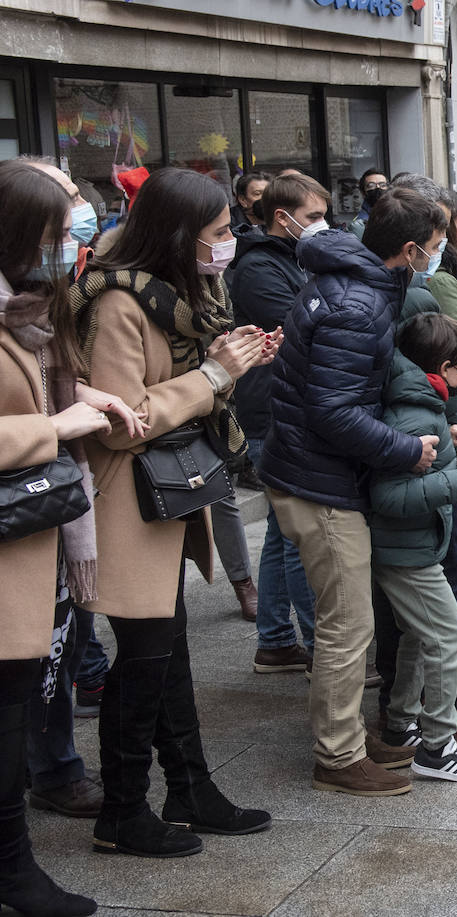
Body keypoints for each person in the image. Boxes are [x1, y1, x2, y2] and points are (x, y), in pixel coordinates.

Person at [69, 167, 274, 855]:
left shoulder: (188, 291)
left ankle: (190, 787)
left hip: (169, 490)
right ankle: (122, 809)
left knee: (168, 651)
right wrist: (214, 375)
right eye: (218, 234)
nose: (228, 245)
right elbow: (120, 422)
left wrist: (229, 360)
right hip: (128, 493)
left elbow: (189, 377)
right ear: (181, 235)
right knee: (144, 658)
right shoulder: (117, 304)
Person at [260, 188, 448, 797]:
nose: (441, 257)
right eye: (438, 247)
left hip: (311, 470)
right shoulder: (357, 302)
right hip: (318, 481)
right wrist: (406, 450)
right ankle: (337, 757)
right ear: (411, 249)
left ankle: (345, 739)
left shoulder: (351, 281)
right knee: (347, 624)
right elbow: (333, 410)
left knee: (346, 619)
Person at [0, 159, 113, 915]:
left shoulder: (30, 310)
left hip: (31, 541)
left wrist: (74, 397)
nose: (62, 246)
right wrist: (54, 425)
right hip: (12, 544)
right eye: (49, 232)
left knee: (18, 710)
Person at [367, 311, 457, 780]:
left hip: (415, 544)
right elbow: (388, 495)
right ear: (444, 368)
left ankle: (402, 725)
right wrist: (454, 484)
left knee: (419, 637)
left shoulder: (422, 402)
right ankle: (438, 747)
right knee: (447, 636)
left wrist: (453, 444)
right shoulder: (415, 411)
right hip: (408, 549)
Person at [227, 173, 326, 675]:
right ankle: (314, 644)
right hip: (273, 407)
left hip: (285, 403)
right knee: (296, 532)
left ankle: (275, 639)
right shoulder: (256, 266)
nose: (321, 226)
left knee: (280, 526)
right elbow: (302, 326)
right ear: (280, 217)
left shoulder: (294, 256)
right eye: (312, 218)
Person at [347, 168, 388, 238]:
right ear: (363, 192)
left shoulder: (395, 213)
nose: (378, 188)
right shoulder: (360, 224)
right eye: (371, 186)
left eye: (382, 185)